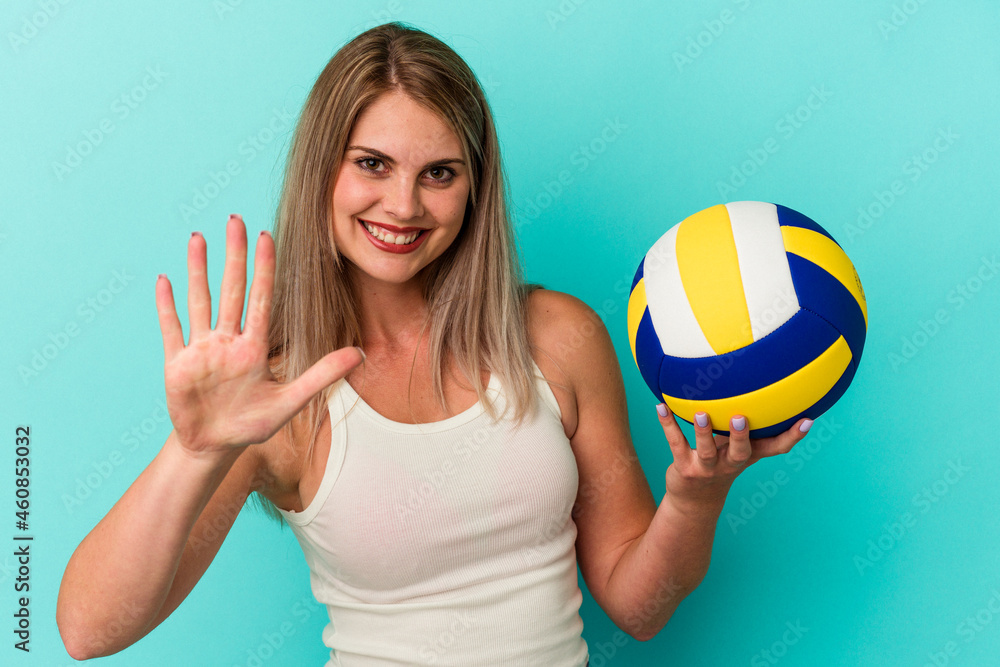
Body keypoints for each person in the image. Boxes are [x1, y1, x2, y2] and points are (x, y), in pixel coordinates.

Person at [56, 21, 813, 666]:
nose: (404, 204)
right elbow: (88, 630)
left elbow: (637, 607)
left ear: (475, 188)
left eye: (439, 173)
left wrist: (698, 495)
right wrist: (194, 453)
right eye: (372, 164)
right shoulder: (277, 398)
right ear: (323, 170)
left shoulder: (558, 336)